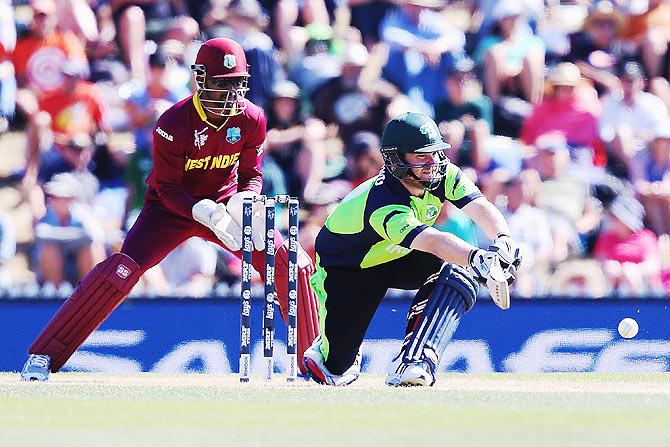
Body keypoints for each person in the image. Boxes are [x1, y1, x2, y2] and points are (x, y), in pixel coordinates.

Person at [20, 38, 320, 381]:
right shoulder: (173, 122)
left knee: (290, 264)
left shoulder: (252, 118)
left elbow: (252, 174)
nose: (231, 93)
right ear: (201, 78)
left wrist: (244, 200)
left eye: (237, 83)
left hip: (226, 208)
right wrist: (201, 212)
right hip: (169, 211)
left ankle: (313, 361)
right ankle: (44, 356)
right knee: (119, 272)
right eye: (222, 83)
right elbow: (166, 188)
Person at [302, 112, 521, 386]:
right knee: (335, 368)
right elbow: (432, 241)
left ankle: (415, 362)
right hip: (349, 269)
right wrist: (477, 258)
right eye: (421, 157)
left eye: (435, 154)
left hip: (399, 256)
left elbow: (479, 206)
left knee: (458, 274)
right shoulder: (382, 203)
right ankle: (326, 349)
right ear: (396, 160)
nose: (432, 163)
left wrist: (504, 240)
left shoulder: (442, 172)